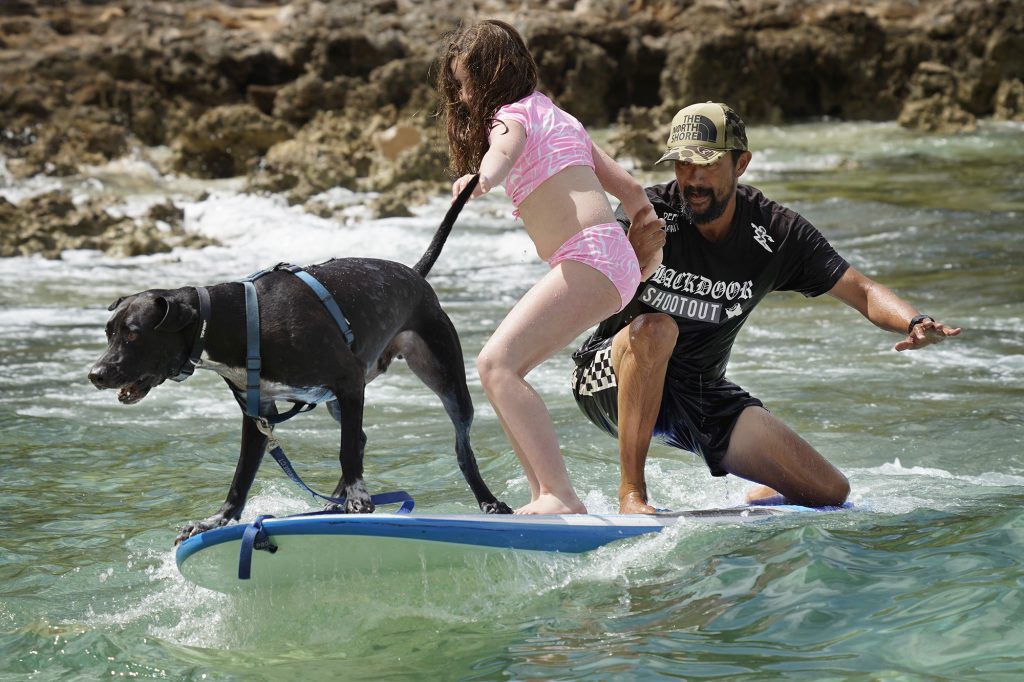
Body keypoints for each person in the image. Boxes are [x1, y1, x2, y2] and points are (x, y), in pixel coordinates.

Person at [571, 101, 962, 514]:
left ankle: (760, 495)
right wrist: (629, 256)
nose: (694, 178)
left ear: (741, 164)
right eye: (683, 164)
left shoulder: (776, 233)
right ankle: (632, 494)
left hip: (699, 391)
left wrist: (913, 321)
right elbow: (587, 286)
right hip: (608, 375)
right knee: (655, 330)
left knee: (828, 492)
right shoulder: (650, 216)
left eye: (708, 164)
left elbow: (861, 290)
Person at [437, 19, 660, 514]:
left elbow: (503, 149)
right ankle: (545, 495)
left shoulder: (511, 116)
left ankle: (559, 495)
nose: (461, 92)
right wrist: (646, 258)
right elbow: (635, 193)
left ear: (489, 74)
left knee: (497, 364)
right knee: (502, 369)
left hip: (589, 257)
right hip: (611, 259)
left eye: (464, 80)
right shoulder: (559, 117)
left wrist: (481, 179)